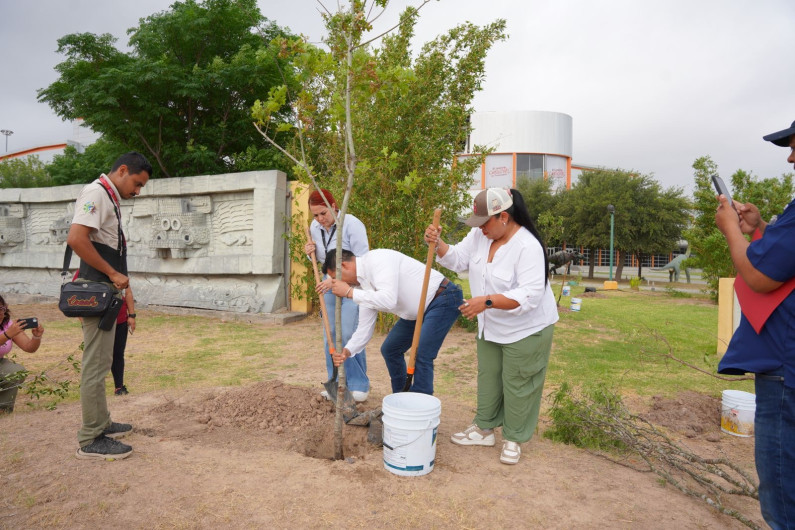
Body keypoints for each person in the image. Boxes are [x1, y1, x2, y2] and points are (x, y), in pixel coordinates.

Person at [424, 188, 558, 465]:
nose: (480, 229)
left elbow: (529, 296)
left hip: (526, 328)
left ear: (504, 217)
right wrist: (438, 244)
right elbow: (458, 258)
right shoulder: (480, 235)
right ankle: (484, 428)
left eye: (485, 223)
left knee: (519, 382)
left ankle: (514, 438)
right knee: (489, 377)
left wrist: (485, 301)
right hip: (491, 324)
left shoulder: (528, 247)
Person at [715, 119, 795, 529]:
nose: (791, 156)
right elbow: (784, 260)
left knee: (783, 497)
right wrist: (761, 230)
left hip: (786, 374)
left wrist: (732, 231)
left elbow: (762, 276)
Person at [66, 152, 151, 460]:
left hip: (104, 291)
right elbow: (76, 238)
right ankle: (91, 437)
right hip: (96, 289)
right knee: (95, 364)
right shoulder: (96, 193)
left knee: (101, 363)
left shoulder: (108, 196)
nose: (137, 191)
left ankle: (102, 423)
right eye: (137, 184)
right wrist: (113, 273)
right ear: (123, 170)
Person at [321, 248, 463, 395]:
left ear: (344, 266)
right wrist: (347, 351)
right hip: (416, 312)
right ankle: (401, 397)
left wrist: (350, 293)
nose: (339, 284)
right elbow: (364, 328)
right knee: (390, 349)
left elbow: (389, 299)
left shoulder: (378, 260)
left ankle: (420, 404)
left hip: (442, 298)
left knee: (422, 353)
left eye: (337, 278)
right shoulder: (361, 287)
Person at [304, 189, 370, 401]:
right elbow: (322, 263)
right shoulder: (315, 228)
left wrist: (337, 281)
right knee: (330, 334)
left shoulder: (352, 224)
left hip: (353, 285)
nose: (320, 219)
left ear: (333, 206)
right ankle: (335, 382)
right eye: (315, 215)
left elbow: (363, 262)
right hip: (328, 284)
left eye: (323, 213)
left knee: (349, 333)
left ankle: (358, 385)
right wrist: (310, 254)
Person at [73, 272, 136, 396]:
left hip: (120, 319)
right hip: (96, 322)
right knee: (96, 355)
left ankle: (119, 387)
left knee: (118, 353)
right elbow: (76, 297)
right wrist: (83, 321)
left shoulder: (117, 270)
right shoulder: (84, 270)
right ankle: (92, 389)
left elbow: (127, 292)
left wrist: (132, 315)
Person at [0, 295, 45, 413]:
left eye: (1, 309)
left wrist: (36, 336)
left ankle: (3, 409)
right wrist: (7, 335)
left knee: (16, 372)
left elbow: (29, 347)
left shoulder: (8, 325)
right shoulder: (9, 331)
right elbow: (7, 335)